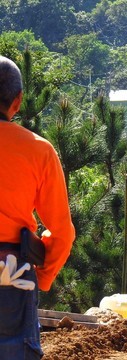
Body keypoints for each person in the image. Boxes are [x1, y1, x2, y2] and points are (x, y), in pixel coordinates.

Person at [0, 56, 76, 358]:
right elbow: (62, 232)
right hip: (15, 272)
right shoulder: (38, 150)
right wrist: (42, 277)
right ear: (17, 102)